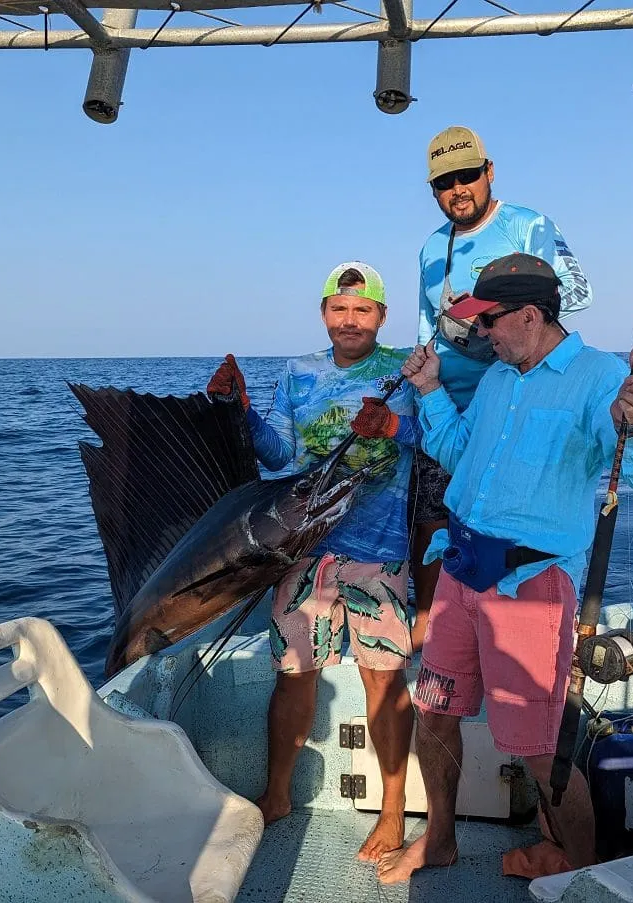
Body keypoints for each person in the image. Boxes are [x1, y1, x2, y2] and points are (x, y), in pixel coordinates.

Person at [377, 252, 633, 884]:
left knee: (542, 751)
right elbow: (460, 455)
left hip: (530, 586)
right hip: (460, 568)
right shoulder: (496, 378)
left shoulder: (601, 378)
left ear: (530, 314)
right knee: (435, 713)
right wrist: (432, 391)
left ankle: (581, 871)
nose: (481, 334)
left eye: (489, 321)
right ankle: (439, 839)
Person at [206, 262, 417, 863]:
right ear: (325, 312)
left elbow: (439, 436)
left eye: (363, 309)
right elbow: (277, 453)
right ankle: (276, 794)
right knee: (293, 672)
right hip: (304, 552)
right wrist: (239, 410)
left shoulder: (407, 369)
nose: (350, 320)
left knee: (384, 681)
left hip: (379, 555)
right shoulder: (299, 374)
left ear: (381, 316)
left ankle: (395, 811)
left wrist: (396, 425)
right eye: (339, 308)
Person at [410, 125, 594, 655]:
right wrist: (421, 378)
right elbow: (427, 324)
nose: (458, 189)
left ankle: (516, 634)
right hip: (442, 401)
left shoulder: (529, 225)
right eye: (445, 182)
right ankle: (435, 624)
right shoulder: (430, 248)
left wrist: (496, 305)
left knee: (507, 524)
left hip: (509, 396)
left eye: (468, 175)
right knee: (433, 515)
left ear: (489, 173)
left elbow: (576, 294)